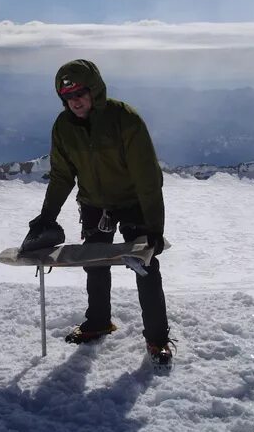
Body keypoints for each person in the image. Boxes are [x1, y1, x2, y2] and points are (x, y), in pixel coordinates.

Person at [24, 59, 173, 364]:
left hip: (133, 201)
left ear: (95, 90)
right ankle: (98, 322)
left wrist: (155, 229)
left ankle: (157, 340)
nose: (74, 101)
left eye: (79, 93)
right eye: (67, 97)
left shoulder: (125, 120)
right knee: (93, 261)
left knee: (143, 264)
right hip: (94, 203)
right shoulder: (64, 127)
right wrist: (47, 217)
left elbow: (147, 179)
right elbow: (62, 175)